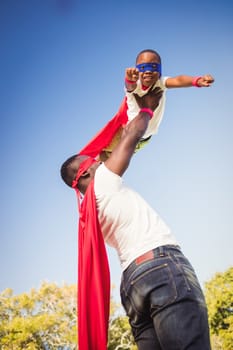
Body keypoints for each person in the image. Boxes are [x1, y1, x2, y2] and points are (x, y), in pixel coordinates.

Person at [60, 88, 211, 349]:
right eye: (91, 162)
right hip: (160, 268)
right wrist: (147, 108)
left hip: (132, 287)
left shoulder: (88, 214)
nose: (98, 161)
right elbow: (130, 137)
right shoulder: (102, 183)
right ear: (83, 175)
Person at [99, 49, 215, 158]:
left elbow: (178, 80)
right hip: (127, 132)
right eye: (143, 67)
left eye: (153, 67)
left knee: (114, 159)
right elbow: (130, 87)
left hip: (144, 139)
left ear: (160, 70)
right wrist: (129, 80)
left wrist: (196, 81)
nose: (148, 71)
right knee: (104, 156)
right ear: (137, 71)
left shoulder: (161, 83)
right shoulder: (136, 85)